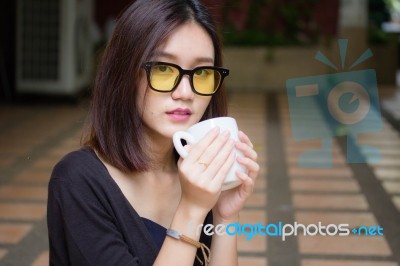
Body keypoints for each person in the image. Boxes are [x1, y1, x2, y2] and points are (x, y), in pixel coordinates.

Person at [47, 0, 260, 265]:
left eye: (202, 72)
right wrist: (192, 209)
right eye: (163, 69)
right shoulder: (77, 181)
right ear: (125, 74)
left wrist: (225, 216)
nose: (185, 93)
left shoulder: (196, 173)